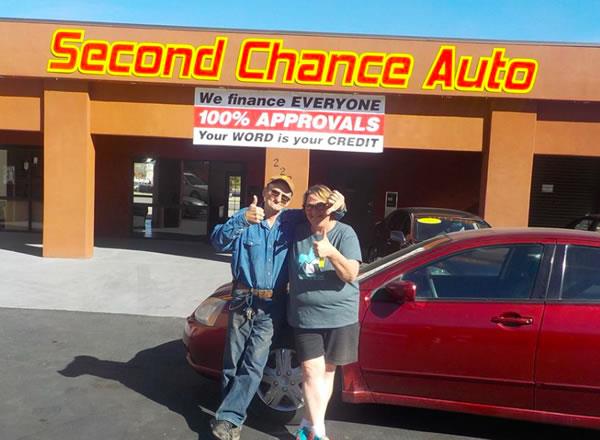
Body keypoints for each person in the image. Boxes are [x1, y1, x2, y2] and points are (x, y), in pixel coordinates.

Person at [209, 176, 345, 440]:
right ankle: (230, 419)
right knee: (232, 364)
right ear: (265, 192)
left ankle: (228, 419)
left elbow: (321, 214)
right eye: (275, 192)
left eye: (285, 196)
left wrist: (340, 205)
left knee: (254, 364)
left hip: (273, 304)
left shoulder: (291, 220)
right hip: (243, 299)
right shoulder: (246, 216)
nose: (279, 198)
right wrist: (242, 220)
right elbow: (218, 241)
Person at [287, 185, 362, 440]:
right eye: (309, 206)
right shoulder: (298, 231)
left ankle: (307, 424)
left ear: (330, 207)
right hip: (305, 315)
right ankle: (319, 432)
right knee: (310, 371)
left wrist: (331, 252)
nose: (314, 211)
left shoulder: (345, 233)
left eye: (321, 205)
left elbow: (351, 274)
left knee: (328, 372)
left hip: (339, 315)